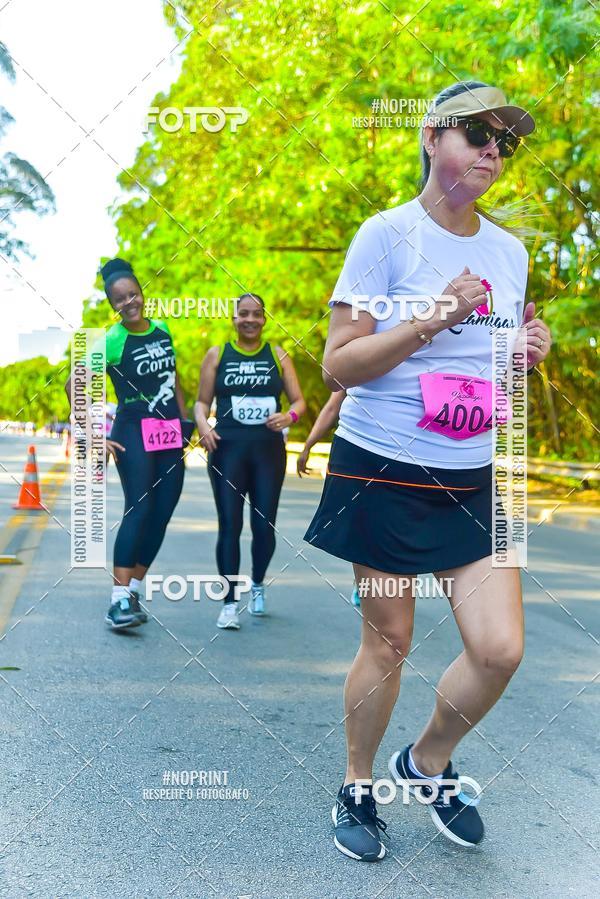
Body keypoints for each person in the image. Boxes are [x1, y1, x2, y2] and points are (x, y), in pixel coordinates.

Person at [304, 81, 552, 861]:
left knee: (500, 648)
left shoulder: (509, 252)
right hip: (382, 467)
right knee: (389, 642)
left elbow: (486, 372)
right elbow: (338, 363)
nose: (493, 149)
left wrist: (519, 356)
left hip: (470, 476)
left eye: (505, 141)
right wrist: (433, 317)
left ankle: (427, 761)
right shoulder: (385, 235)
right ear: (430, 136)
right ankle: (357, 783)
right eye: (477, 132)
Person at [65, 258, 189, 630]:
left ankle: (133, 590)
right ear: (112, 304)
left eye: (133, 294)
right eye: (120, 299)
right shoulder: (111, 341)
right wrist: (93, 434)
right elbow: (74, 385)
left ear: (141, 293)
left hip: (168, 432)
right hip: (132, 431)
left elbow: (174, 380)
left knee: (163, 510)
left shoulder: (163, 328)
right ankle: (117, 601)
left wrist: (184, 423)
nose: (128, 302)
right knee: (140, 506)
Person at [194, 293, 306, 629]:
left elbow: (299, 402)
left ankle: (257, 583)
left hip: (267, 452)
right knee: (230, 525)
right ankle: (229, 604)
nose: (250, 320)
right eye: (243, 314)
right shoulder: (217, 354)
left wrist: (289, 417)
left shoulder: (278, 354)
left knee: (263, 525)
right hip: (227, 450)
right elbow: (201, 403)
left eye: (256, 314)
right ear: (233, 318)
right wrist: (203, 426)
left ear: (264, 319)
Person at [297, 390, 360, 608]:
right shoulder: (361, 372)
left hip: (418, 458)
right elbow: (333, 406)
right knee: (367, 525)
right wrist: (308, 445)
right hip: (364, 456)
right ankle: (365, 582)